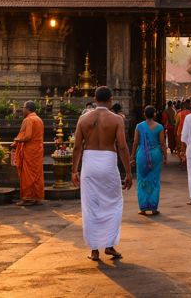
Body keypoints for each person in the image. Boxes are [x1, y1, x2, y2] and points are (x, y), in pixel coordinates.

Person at [72, 86, 132, 261]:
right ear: (111, 100)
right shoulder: (116, 119)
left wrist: (74, 170)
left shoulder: (83, 119)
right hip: (108, 162)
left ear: (94, 99)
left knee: (90, 206)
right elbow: (122, 147)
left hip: (89, 162)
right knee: (113, 203)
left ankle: (94, 250)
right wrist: (128, 172)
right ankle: (109, 245)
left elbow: (77, 147)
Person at [131, 105, 166, 216]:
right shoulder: (159, 127)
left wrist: (132, 156)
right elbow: (162, 143)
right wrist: (165, 156)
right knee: (155, 180)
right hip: (155, 155)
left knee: (142, 180)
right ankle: (154, 208)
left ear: (144, 114)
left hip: (142, 154)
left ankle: (143, 208)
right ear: (154, 114)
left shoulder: (139, 126)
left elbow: (135, 142)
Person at [12, 101, 45, 206]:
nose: (22, 110)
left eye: (24, 108)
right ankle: (37, 197)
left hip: (30, 151)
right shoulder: (39, 119)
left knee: (27, 175)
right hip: (38, 150)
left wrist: (17, 139)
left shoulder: (28, 120)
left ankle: (28, 198)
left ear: (28, 109)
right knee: (37, 174)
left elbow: (27, 136)